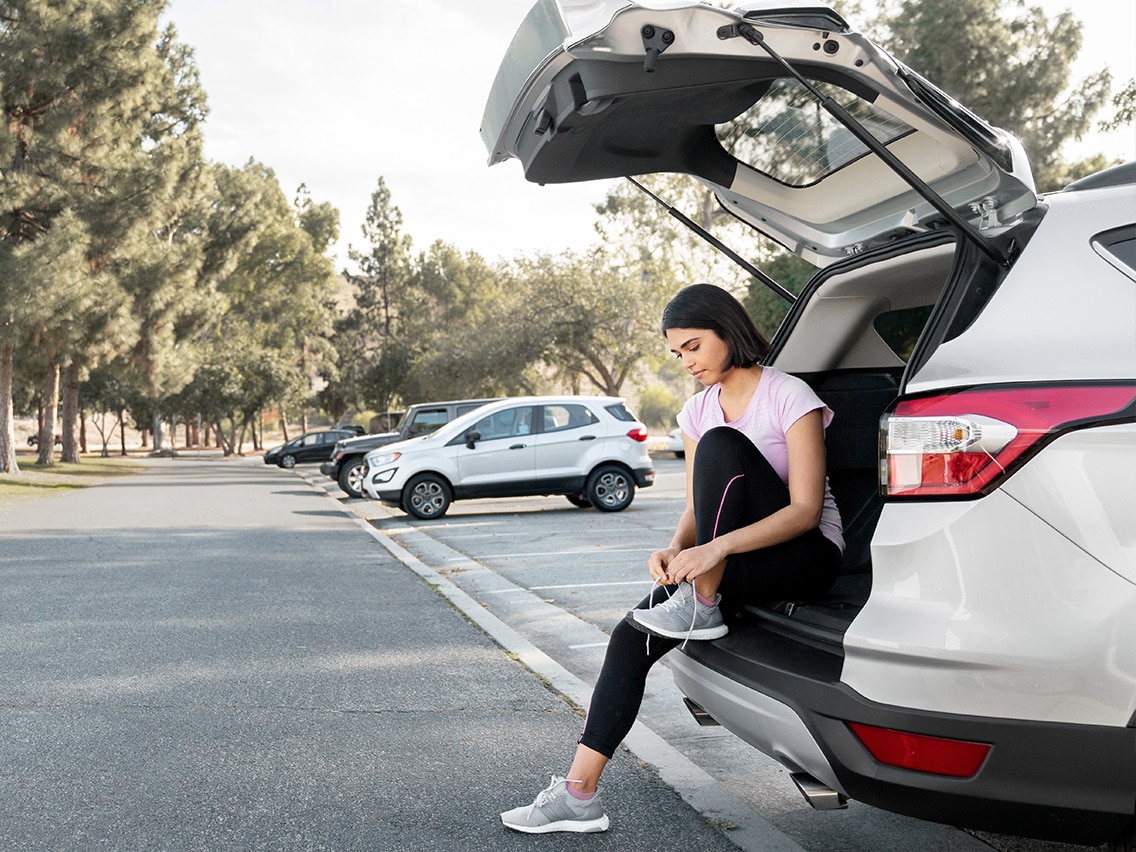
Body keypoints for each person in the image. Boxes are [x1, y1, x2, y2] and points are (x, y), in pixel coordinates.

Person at [500, 283, 845, 834]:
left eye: (693, 346)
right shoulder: (696, 409)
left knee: (722, 445)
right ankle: (578, 794)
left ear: (727, 332)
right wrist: (675, 547)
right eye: (676, 353)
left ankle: (702, 600)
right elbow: (698, 505)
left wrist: (714, 551)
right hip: (725, 563)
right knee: (627, 635)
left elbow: (805, 510)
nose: (686, 362)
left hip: (805, 555)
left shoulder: (789, 395)